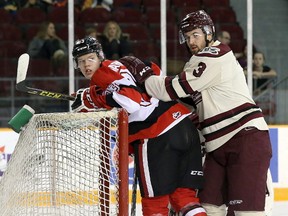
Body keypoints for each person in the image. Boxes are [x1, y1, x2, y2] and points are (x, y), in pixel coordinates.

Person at [128, 10, 273, 216]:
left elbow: (170, 90)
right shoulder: (196, 62)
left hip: (245, 138)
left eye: (195, 35)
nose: (191, 41)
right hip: (217, 146)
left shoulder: (216, 55)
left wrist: (145, 77)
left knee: (245, 213)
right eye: (187, 37)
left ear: (208, 33)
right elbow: (188, 103)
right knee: (208, 208)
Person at [70, 36, 207, 216]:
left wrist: (95, 100)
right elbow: (154, 77)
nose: (86, 64)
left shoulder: (102, 73)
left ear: (100, 57)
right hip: (184, 126)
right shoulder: (126, 64)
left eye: (90, 58)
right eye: (81, 61)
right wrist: (94, 96)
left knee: (155, 205)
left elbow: (132, 102)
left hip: (157, 134)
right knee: (185, 200)